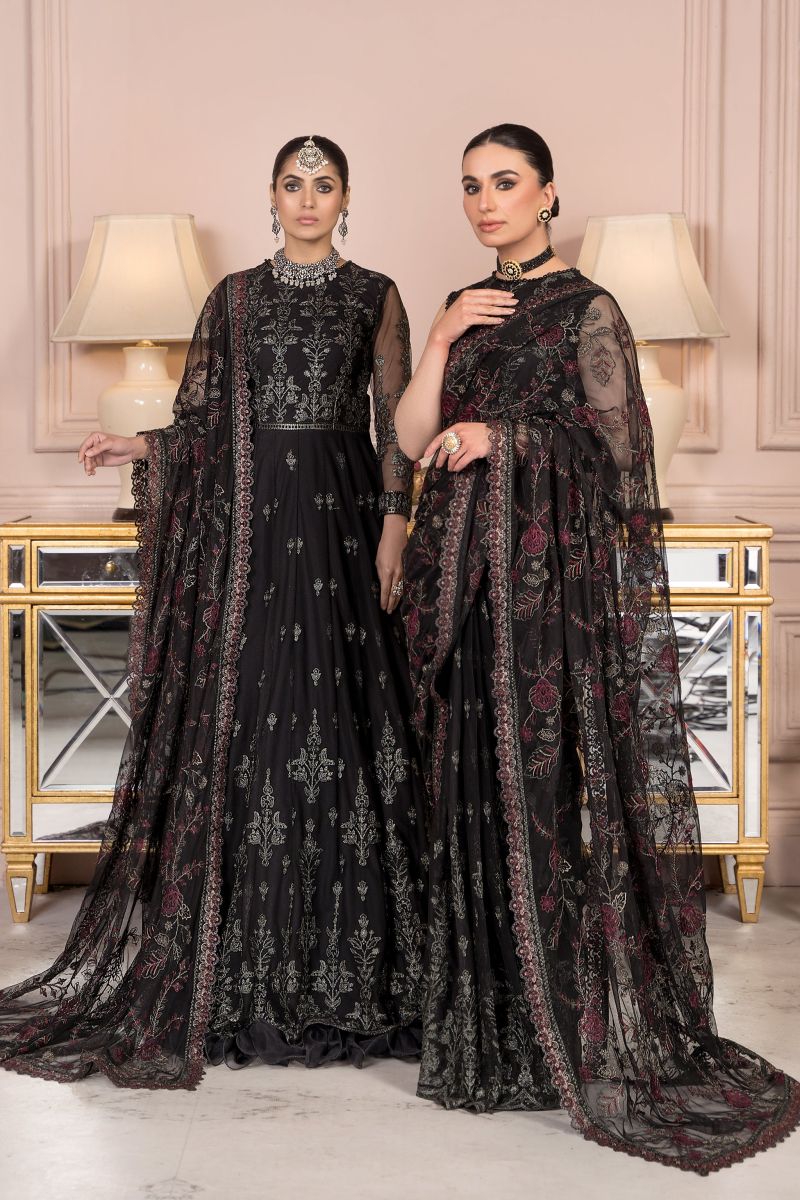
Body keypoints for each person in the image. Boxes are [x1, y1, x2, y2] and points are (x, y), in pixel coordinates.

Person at [395, 122, 799, 1173]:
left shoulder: (588, 310)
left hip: (544, 601)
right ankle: (481, 1030)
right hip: (456, 587)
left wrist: (505, 438)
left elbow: (620, 455)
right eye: (470, 185)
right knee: (465, 793)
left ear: (548, 194)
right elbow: (409, 438)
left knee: (541, 799)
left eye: (504, 183)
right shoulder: (462, 305)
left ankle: (555, 1022)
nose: (485, 202)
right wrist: (438, 341)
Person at [0, 134, 427, 1086]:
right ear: (271, 196)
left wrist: (396, 524)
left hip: (344, 521)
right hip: (255, 532)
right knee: (257, 719)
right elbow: (204, 420)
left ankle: (357, 964)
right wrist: (141, 446)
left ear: (345, 198)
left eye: (324, 184)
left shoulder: (376, 295)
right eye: (292, 184)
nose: (307, 198)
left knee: (346, 721)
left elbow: (394, 423)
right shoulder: (233, 299)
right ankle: (243, 964)